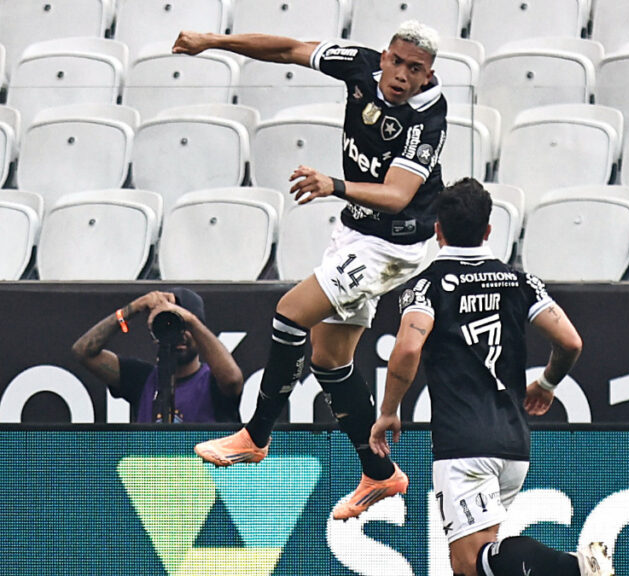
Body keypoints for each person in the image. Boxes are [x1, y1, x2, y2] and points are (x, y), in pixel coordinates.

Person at [173, 20, 447, 519]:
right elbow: (289, 48)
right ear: (384, 56)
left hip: (394, 244)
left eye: (416, 70)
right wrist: (215, 42)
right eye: (398, 62)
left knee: (289, 313)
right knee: (328, 360)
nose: (403, 76)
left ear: (429, 76)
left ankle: (255, 436)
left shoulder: (428, 117)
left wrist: (334, 185)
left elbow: (398, 195)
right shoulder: (360, 64)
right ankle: (380, 474)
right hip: (356, 233)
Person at [368, 178, 614, 576]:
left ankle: (576, 567)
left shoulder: (426, 287)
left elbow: (408, 349)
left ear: (437, 230)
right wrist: (548, 384)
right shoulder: (518, 281)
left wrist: (390, 411)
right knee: (481, 566)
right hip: (513, 442)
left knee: (469, 563)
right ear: (488, 230)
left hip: (464, 445)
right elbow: (570, 341)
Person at [72, 288, 243, 423]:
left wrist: (190, 320)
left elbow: (233, 380)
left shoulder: (212, 382)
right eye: (174, 328)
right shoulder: (141, 379)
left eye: (187, 328)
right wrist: (133, 308)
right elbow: (83, 352)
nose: (181, 335)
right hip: (153, 467)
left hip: (203, 467)